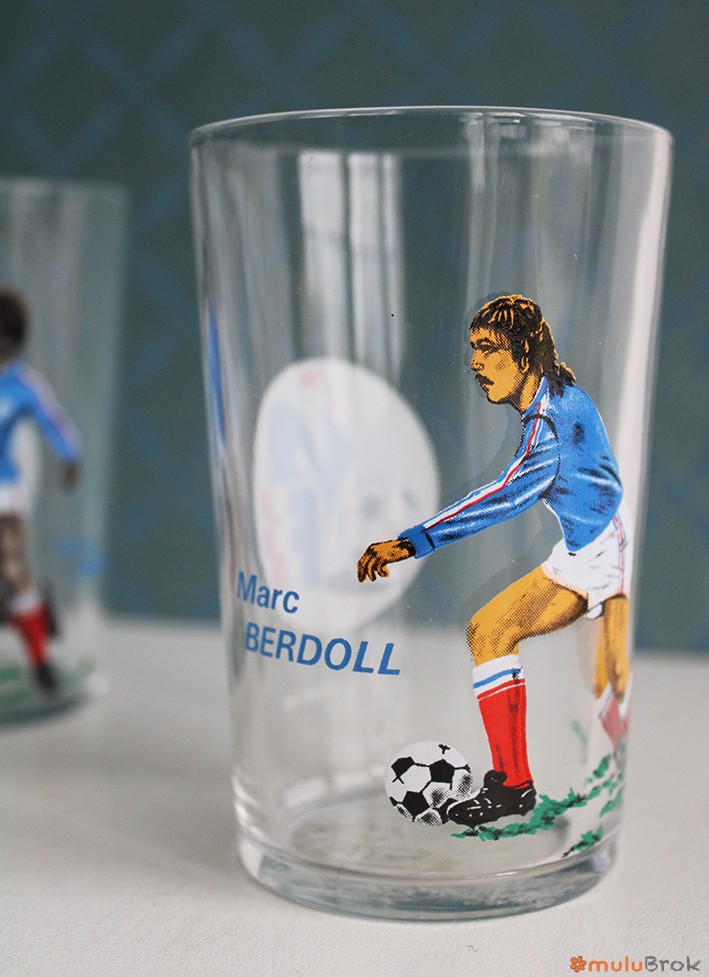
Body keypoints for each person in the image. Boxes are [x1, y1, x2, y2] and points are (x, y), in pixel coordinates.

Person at [357, 294, 632, 827]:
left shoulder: (550, 422)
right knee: (488, 633)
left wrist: (410, 542)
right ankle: (513, 785)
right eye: (473, 349)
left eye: (487, 348)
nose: (475, 362)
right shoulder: (552, 401)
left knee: (610, 688)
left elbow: (503, 496)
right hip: (584, 548)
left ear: (524, 352)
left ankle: (560, 794)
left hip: (610, 554)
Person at [0, 289, 81, 693]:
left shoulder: (22, 386)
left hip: (3, 489)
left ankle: (39, 660)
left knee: (13, 568)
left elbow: (54, 421)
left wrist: (70, 456)